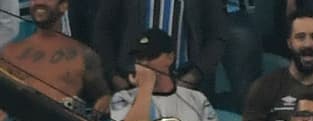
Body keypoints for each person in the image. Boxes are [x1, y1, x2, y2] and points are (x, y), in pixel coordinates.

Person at [110, 29, 227, 121]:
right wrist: (145, 87)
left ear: (170, 58)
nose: (145, 63)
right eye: (140, 58)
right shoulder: (122, 98)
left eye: (151, 56)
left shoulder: (196, 98)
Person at [93, 0, 228, 94]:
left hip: (186, 84)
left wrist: (193, 77)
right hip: (130, 84)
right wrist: (114, 76)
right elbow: (103, 29)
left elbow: (217, 36)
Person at [2, 0, 109, 118]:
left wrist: (103, 103)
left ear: (64, 5)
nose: (39, 2)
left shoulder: (84, 55)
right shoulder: (10, 52)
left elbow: (102, 97)